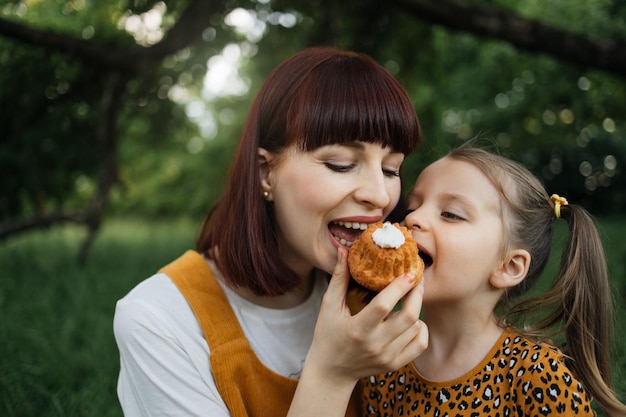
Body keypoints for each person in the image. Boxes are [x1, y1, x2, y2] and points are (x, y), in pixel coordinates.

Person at [113, 46, 429, 417]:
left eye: (391, 170)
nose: (379, 196)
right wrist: (332, 373)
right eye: (341, 164)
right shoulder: (160, 319)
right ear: (266, 173)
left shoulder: (379, 305)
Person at [361, 143, 626, 417]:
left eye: (450, 214)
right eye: (411, 207)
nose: (413, 218)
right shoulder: (382, 361)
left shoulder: (538, 375)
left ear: (509, 266)